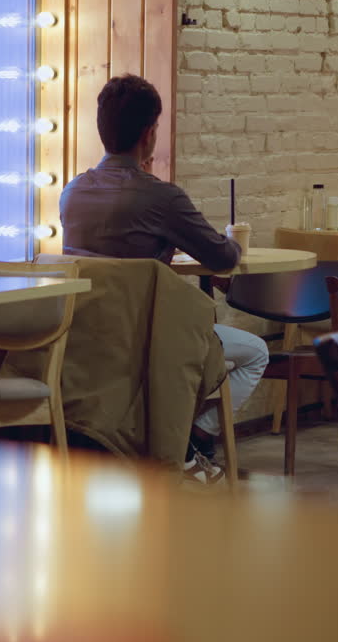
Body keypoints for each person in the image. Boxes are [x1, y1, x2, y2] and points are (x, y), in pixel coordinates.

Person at [59, 74, 268, 485]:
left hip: (82, 340)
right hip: (147, 340)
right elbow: (222, 258)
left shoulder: (72, 192)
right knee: (256, 351)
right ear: (149, 133)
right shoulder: (160, 197)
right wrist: (233, 240)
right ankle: (193, 440)